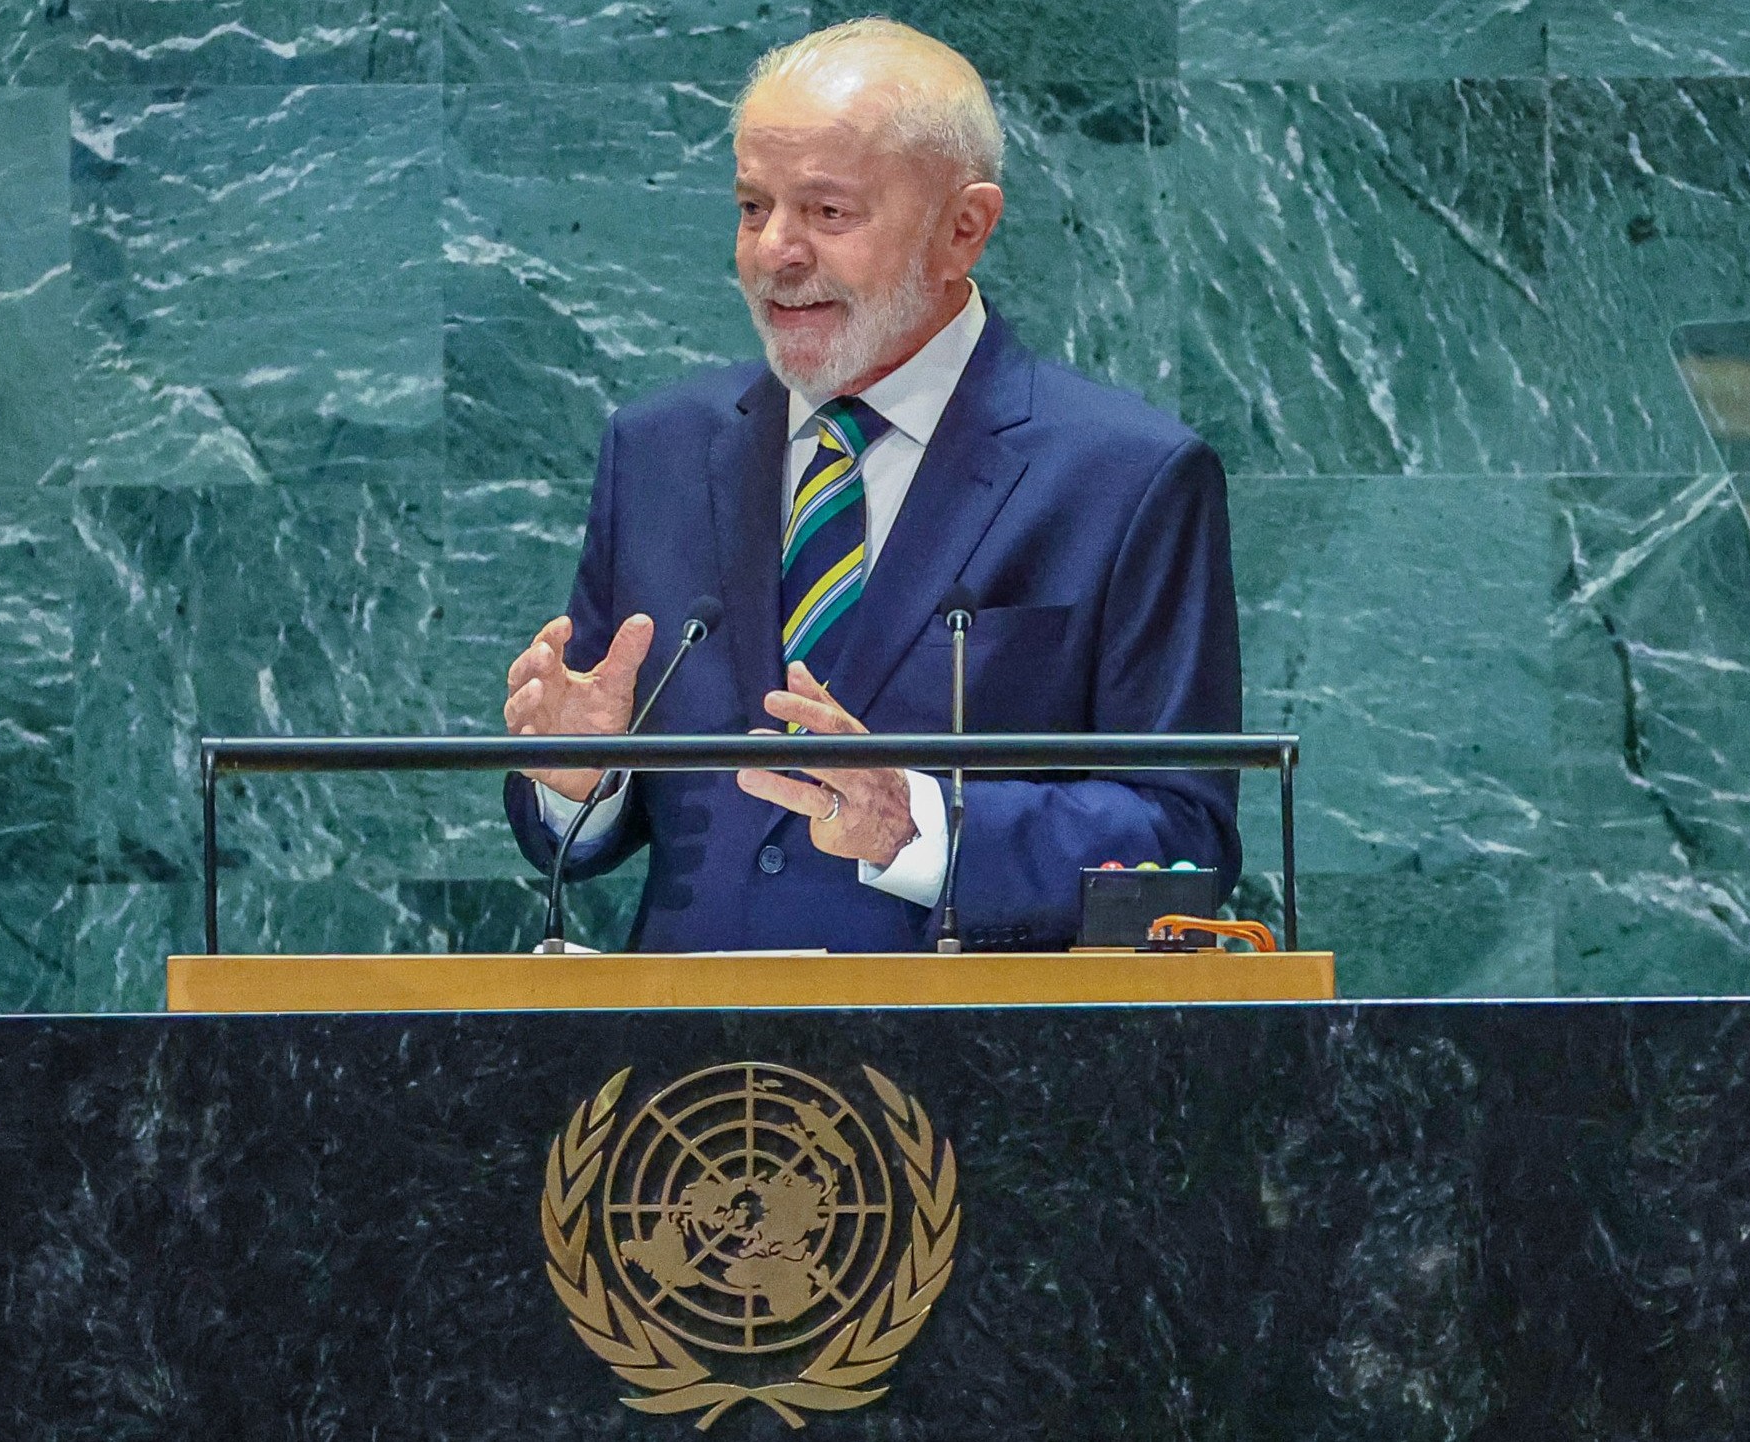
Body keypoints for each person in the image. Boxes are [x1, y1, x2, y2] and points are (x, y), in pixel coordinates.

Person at [499, 18, 1240, 952]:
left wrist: (920, 824)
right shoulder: (657, 450)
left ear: (962, 229)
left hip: (976, 1070)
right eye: (752, 207)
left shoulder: (1127, 477)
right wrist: (579, 782)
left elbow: (1184, 837)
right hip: (690, 1078)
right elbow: (593, 827)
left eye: (828, 213)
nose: (777, 251)